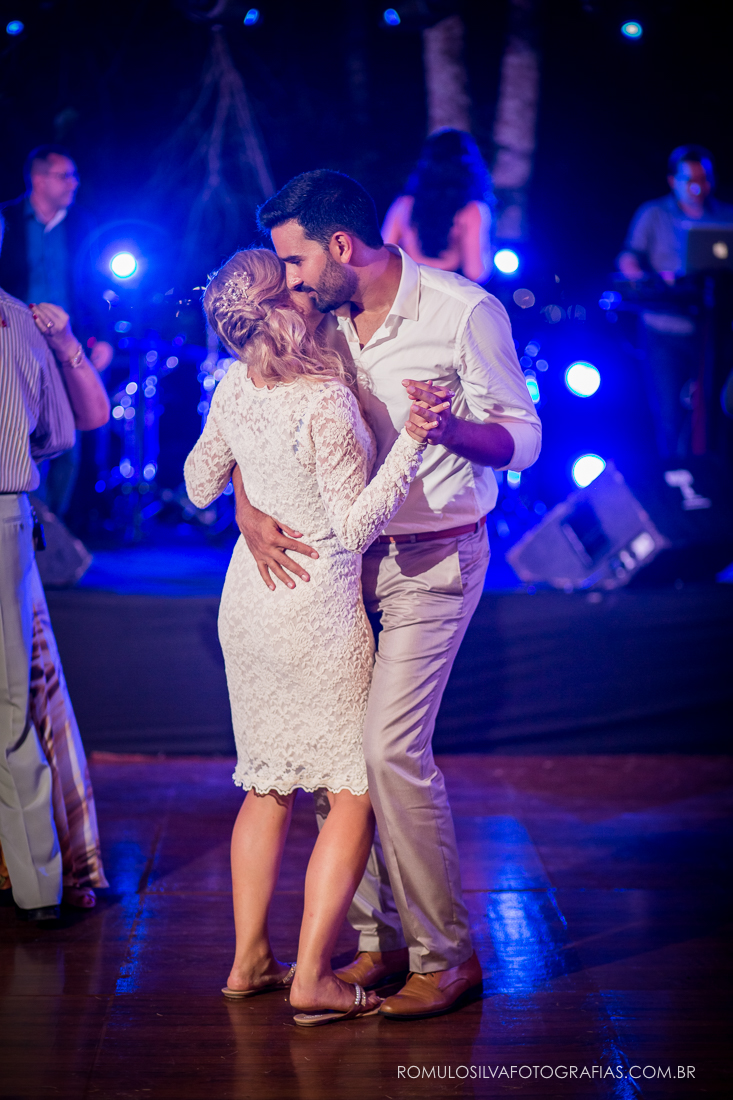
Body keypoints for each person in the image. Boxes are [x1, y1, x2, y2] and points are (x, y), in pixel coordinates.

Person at [232, 169, 541, 1020]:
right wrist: (249, 508)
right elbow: (253, 420)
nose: (286, 282)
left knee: (388, 754)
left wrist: (447, 430)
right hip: (339, 569)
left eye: (294, 263)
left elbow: (521, 439)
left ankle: (447, 956)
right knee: (340, 758)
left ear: (340, 246)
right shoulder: (317, 322)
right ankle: (377, 942)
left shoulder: (461, 311)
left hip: (432, 561)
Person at [184, 248, 444, 1025]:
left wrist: (247, 497)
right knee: (353, 790)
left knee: (265, 786)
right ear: (286, 308)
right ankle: (313, 982)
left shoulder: (235, 383)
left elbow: (198, 481)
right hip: (314, 608)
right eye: (295, 286)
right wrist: (414, 440)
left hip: (249, 602)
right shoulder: (324, 399)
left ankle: (248, 962)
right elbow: (354, 526)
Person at [0, 278, 108, 922]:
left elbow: (80, 420)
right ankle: (38, 884)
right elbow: (61, 432)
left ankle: (40, 879)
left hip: (9, 515)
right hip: (6, 515)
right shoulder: (16, 320)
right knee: (16, 705)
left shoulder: (24, 321)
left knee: (17, 704)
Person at [0, 145, 113, 517]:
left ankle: (52, 535)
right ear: (38, 178)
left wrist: (104, 338)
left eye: (74, 175)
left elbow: (96, 288)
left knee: (69, 438)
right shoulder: (8, 219)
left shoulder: (83, 224)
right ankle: (22, 523)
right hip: (16, 345)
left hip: (67, 343)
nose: (74, 183)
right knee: (21, 436)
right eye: (65, 175)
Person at [617, 144, 733, 457]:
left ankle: (710, 486)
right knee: (669, 417)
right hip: (663, 331)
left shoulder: (726, 216)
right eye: (689, 180)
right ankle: (675, 490)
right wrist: (645, 277)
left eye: (704, 179)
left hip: (713, 334)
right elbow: (630, 257)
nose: (697, 187)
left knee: (712, 415)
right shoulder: (653, 213)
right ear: (673, 181)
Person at [381, 129, 493, 284]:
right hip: (449, 296)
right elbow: (475, 272)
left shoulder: (404, 204)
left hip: (408, 292)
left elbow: (383, 257)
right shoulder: (473, 210)